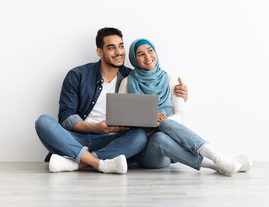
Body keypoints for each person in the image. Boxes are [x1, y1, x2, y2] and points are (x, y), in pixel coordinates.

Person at [34, 27, 189, 174]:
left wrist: (180, 95)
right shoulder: (77, 75)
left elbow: (157, 97)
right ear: (99, 52)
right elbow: (66, 118)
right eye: (111, 47)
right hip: (76, 138)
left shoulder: (132, 79)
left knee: (139, 137)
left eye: (121, 46)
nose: (119, 52)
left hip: (114, 140)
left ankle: (78, 162)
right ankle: (99, 163)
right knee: (43, 122)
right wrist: (96, 127)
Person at [118, 38, 252, 176]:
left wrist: (162, 123)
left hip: (172, 147)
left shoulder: (171, 80)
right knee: (159, 138)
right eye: (140, 54)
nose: (148, 57)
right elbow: (120, 119)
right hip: (148, 154)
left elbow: (181, 115)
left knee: (165, 127)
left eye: (150, 51)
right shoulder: (127, 83)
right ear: (134, 59)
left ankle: (220, 161)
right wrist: (149, 117)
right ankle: (217, 163)